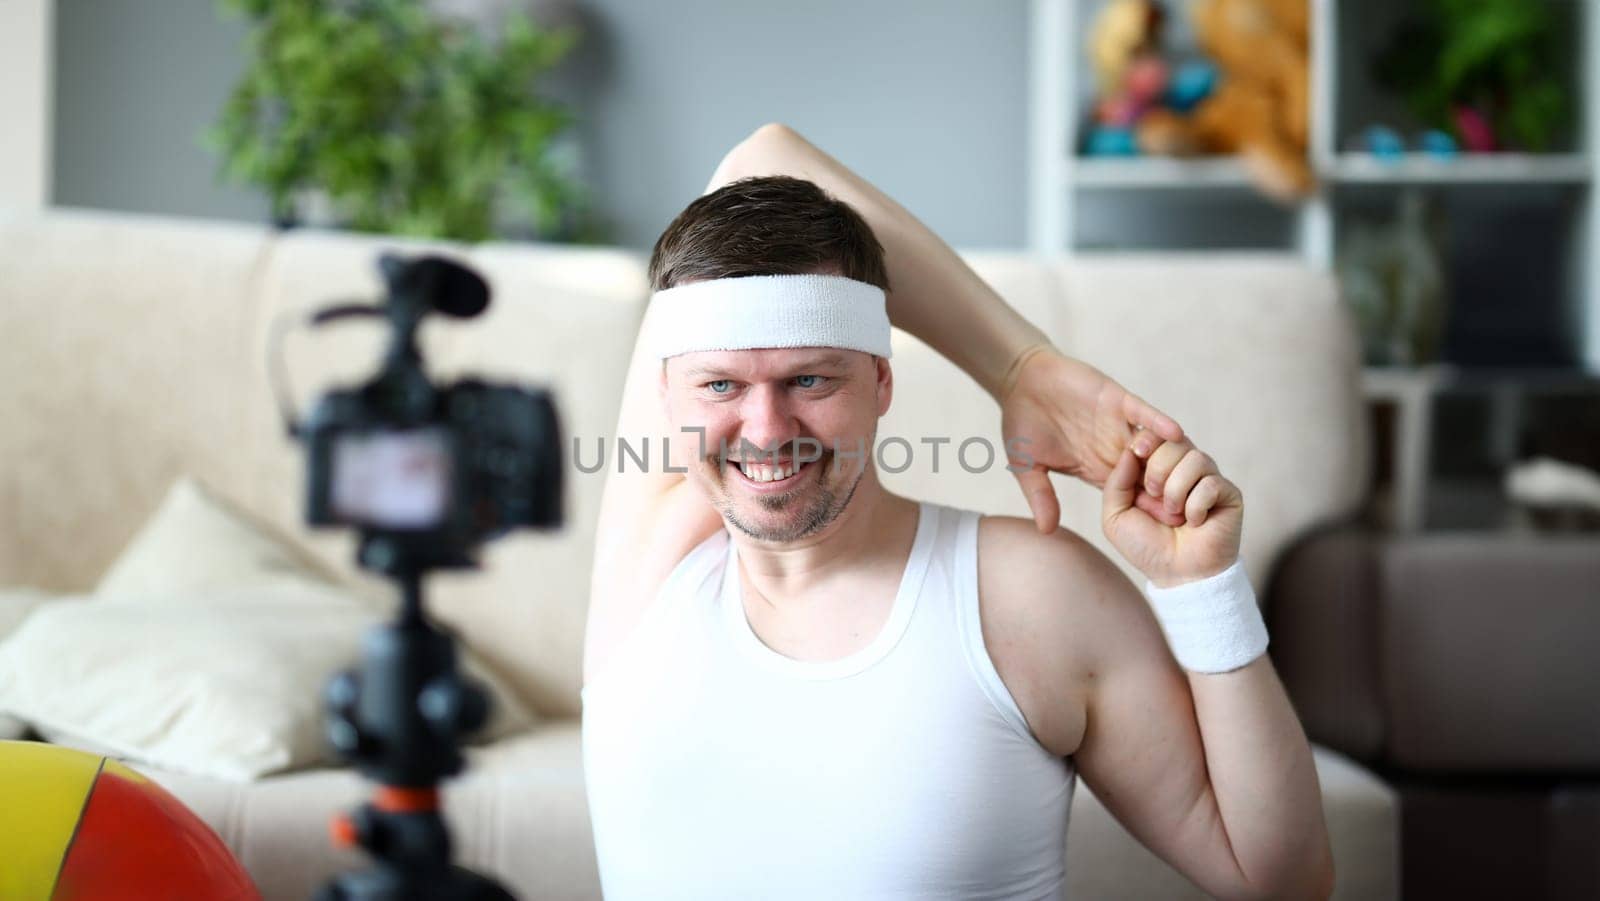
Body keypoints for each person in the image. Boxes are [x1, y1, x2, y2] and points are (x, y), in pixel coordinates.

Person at [580, 123, 1333, 900]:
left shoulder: (1030, 593)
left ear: (882, 381)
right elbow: (758, 160)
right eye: (720, 386)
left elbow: (1282, 880)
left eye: (811, 380)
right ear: (666, 396)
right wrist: (1018, 367)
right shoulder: (652, 564)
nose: (766, 430)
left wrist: (1204, 590)